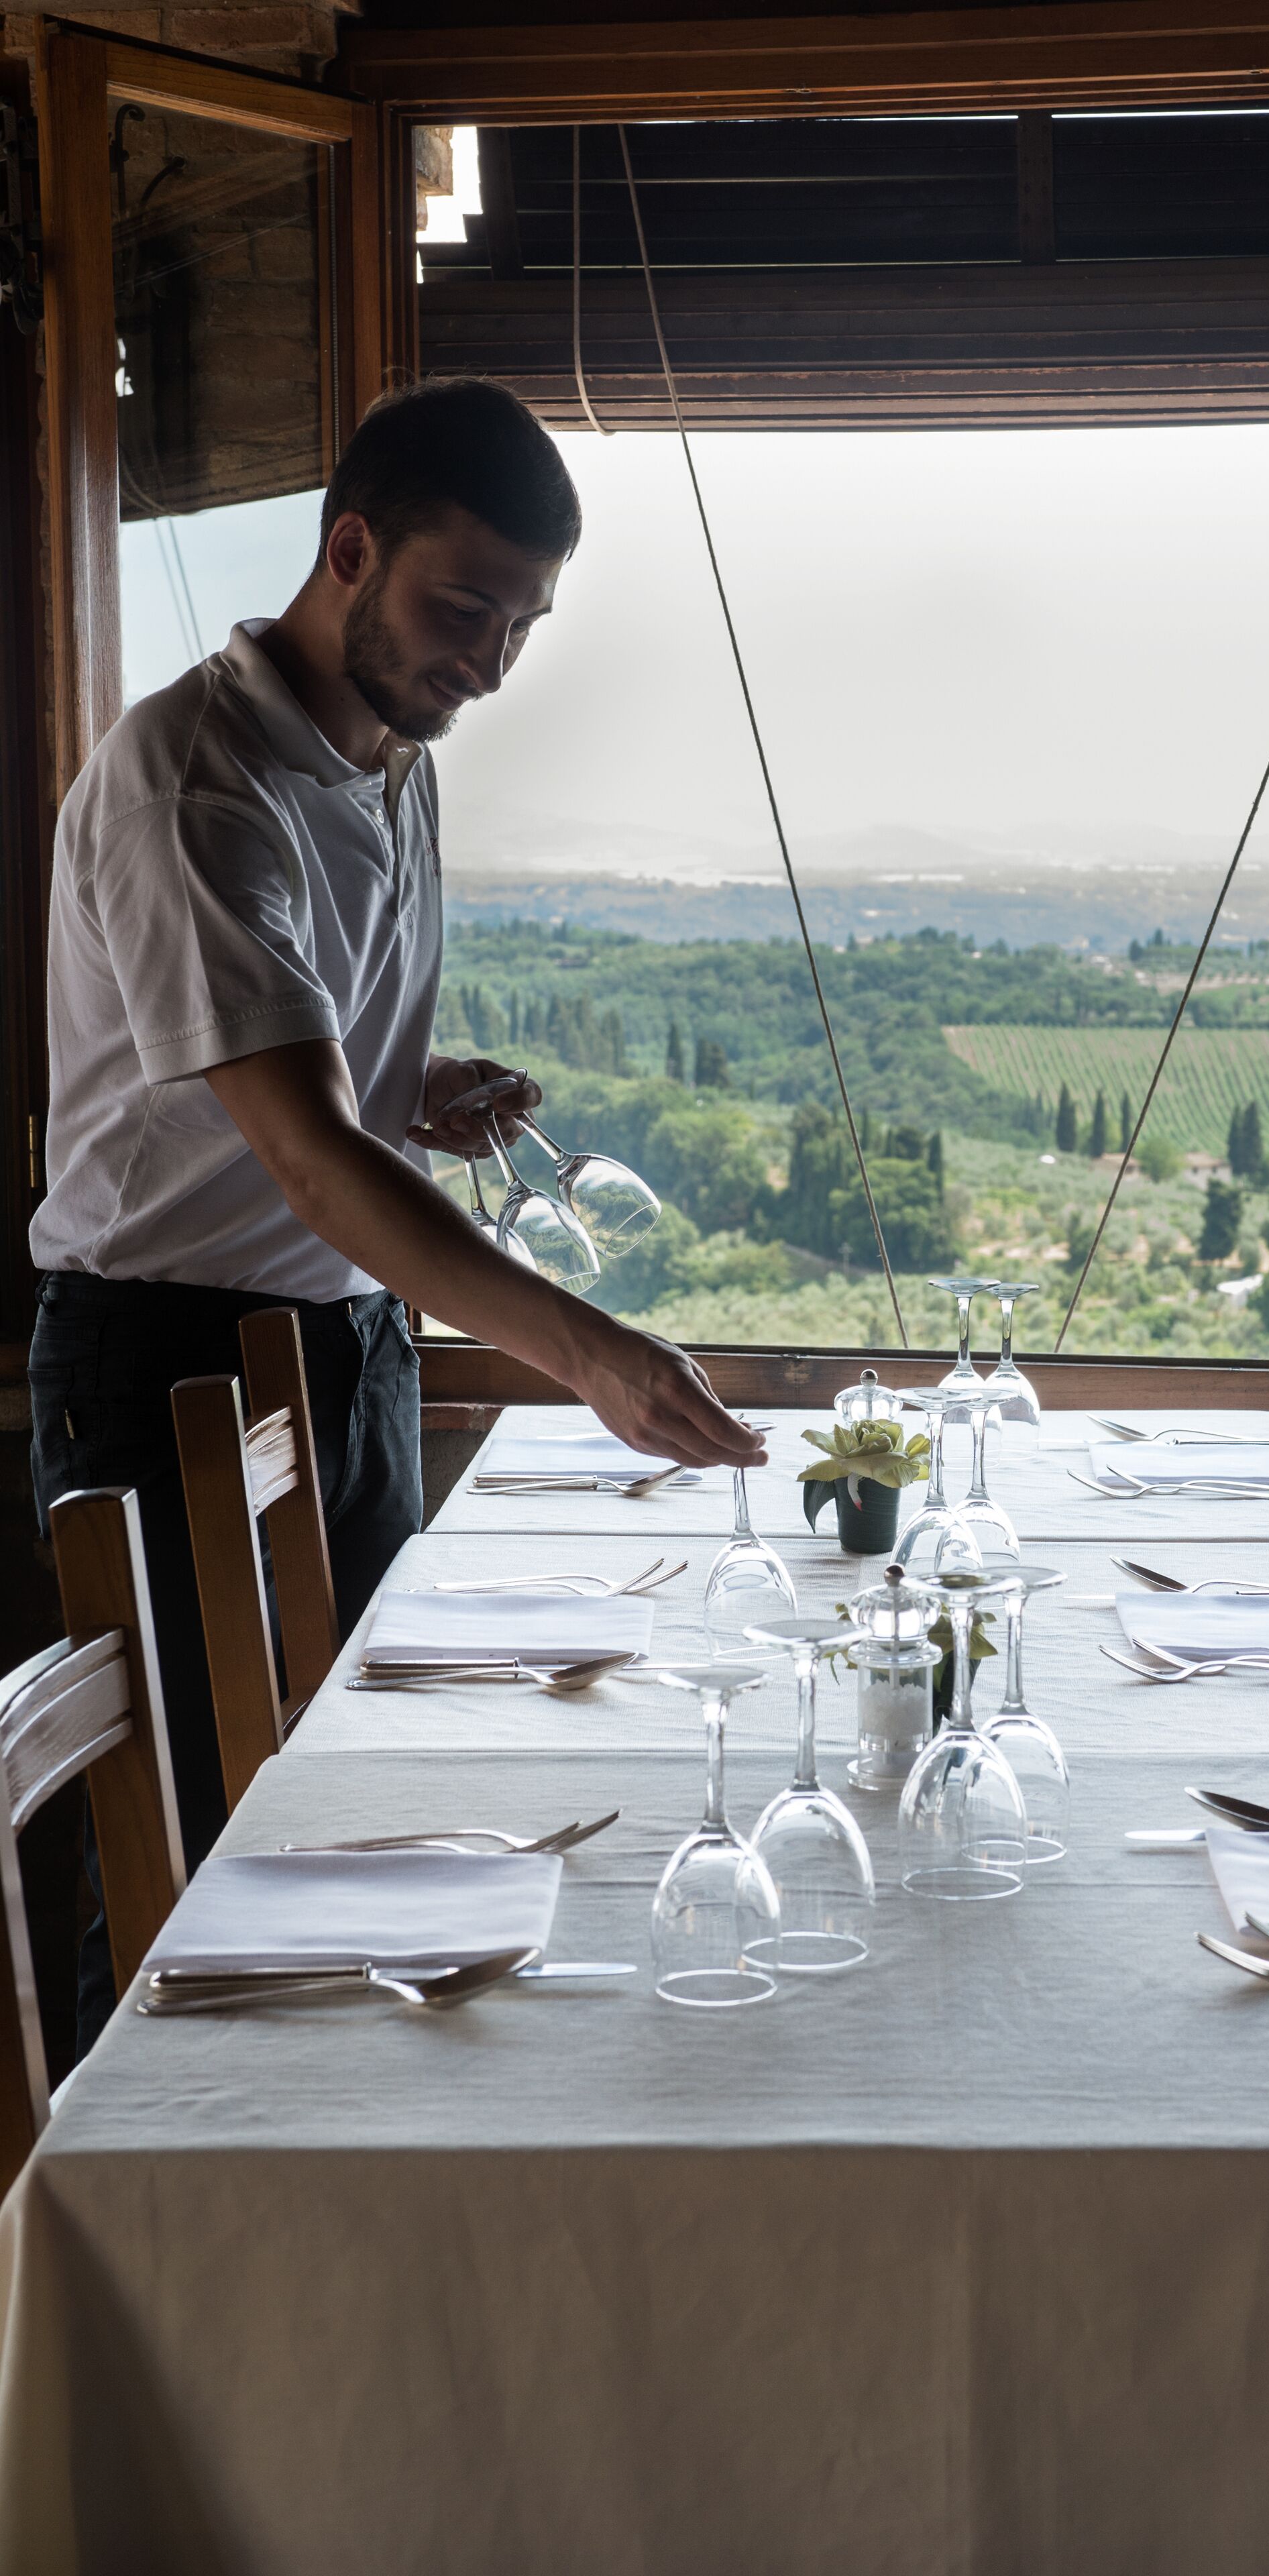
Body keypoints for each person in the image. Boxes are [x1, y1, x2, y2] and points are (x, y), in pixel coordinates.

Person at [29, 377, 764, 2049]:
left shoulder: (390, 749)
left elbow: (302, 1068)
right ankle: (106, 2233)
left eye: (524, 626)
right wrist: (589, 1354)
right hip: (168, 1362)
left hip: (345, 1339)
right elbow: (299, 1156)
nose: (491, 665)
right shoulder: (194, 786)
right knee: (185, 1880)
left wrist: (407, 1084)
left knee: (341, 1815)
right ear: (348, 550)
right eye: (465, 609)